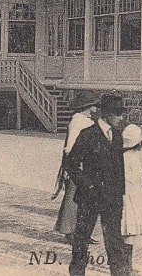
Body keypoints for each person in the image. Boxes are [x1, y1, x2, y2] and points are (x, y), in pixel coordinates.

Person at [66, 93, 131, 276]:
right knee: (81, 239)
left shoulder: (117, 136)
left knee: (114, 240)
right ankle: (77, 273)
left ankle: (119, 273)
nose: (121, 117)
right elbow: (71, 164)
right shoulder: (88, 134)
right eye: (117, 113)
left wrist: (120, 194)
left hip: (112, 198)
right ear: (106, 113)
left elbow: (119, 168)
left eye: (122, 113)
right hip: (90, 197)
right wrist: (87, 186)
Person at [54, 90, 100, 242]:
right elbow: (70, 146)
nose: (96, 108)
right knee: (73, 198)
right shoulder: (78, 122)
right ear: (87, 107)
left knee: (86, 200)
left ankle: (83, 232)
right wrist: (70, 167)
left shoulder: (86, 121)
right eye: (94, 105)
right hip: (78, 164)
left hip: (88, 165)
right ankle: (69, 231)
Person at [120, 123, 142, 240]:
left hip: (132, 194)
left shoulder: (128, 155)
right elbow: (133, 178)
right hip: (132, 196)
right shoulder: (131, 157)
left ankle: (125, 253)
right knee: (130, 228)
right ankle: (126, 255)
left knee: (129, 229)